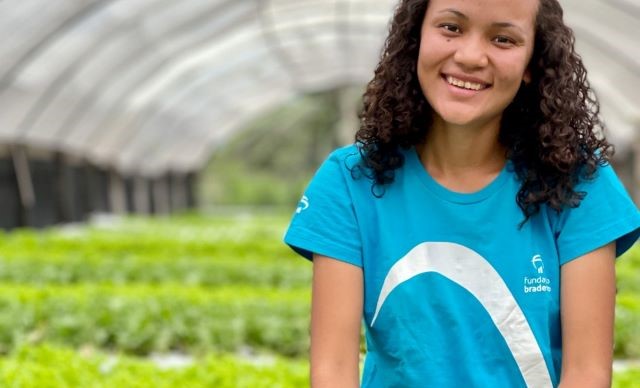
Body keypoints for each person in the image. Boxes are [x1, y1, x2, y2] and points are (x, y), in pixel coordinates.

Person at [284, 0, 640, 386]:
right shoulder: (350, 181)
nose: (470, 56)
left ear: (532, 64)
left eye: (503, 38)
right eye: (451, 28)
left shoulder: (577, 181)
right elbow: (333, 372)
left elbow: (586, 374)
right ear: (415, 37)